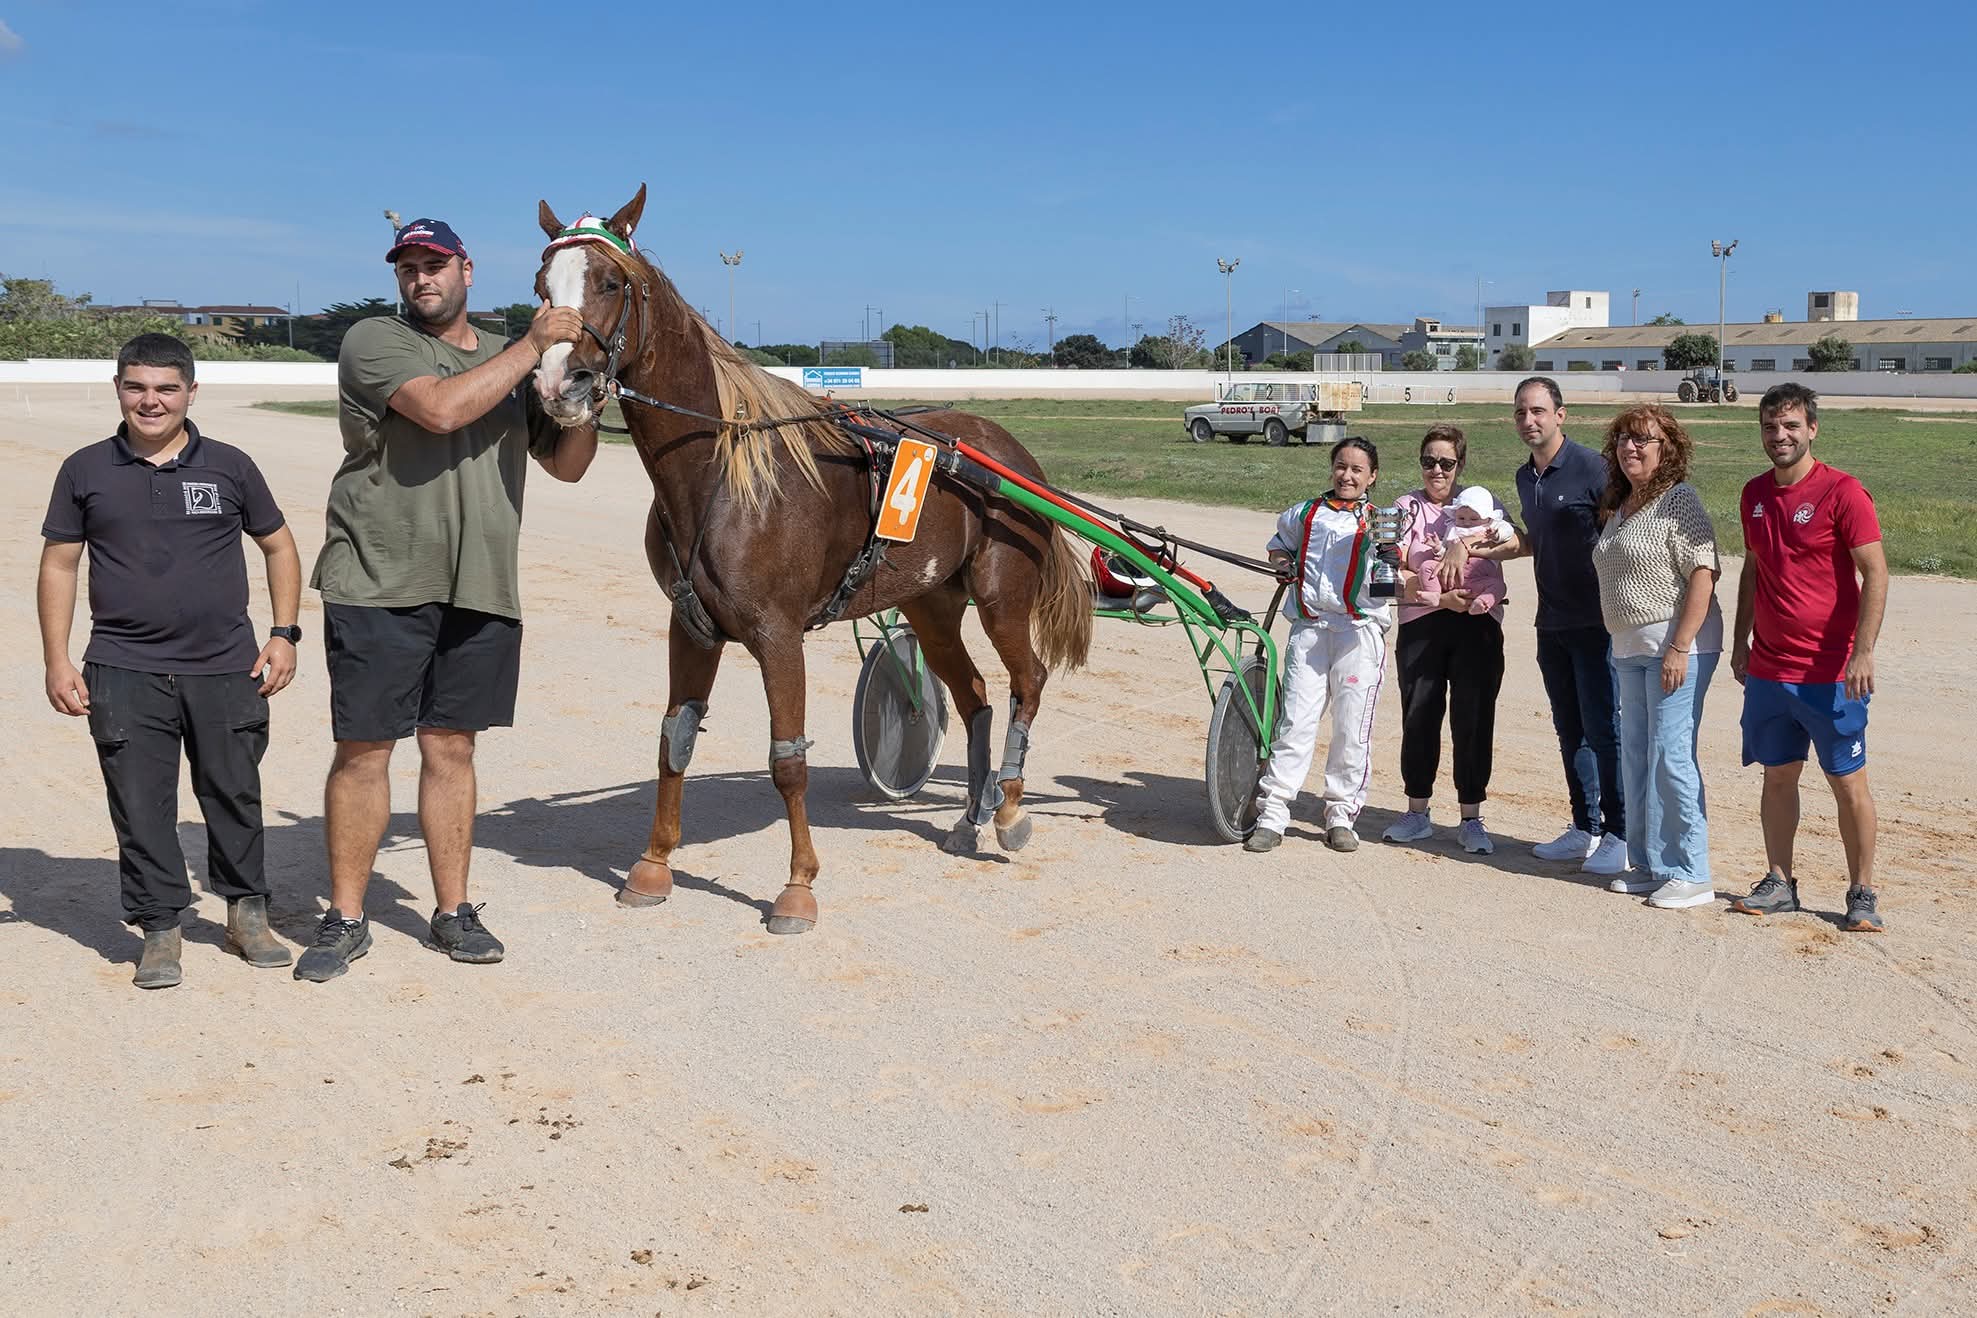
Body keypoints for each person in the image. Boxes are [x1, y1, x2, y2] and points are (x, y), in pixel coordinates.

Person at [297, 217, 595, 982]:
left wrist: (588, 394)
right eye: (408, 268)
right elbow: (438, 410)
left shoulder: (506, 354)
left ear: (467, 269)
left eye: (434, 265)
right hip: (380, 576)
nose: (420, 278)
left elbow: (565, 465)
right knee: (365, 751)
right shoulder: (374, 340)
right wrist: (535, 344)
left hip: (481, 581)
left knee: (451, 748)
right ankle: (346, 916)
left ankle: (452, 911)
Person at [37, 333, 301, 988]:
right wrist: (56, 659)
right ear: (118, 389)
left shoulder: (231, 466)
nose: (150, 400)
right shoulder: (84, 469)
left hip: (225, 666)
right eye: (136, 386)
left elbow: (280, 547)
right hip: (122, 666)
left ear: (190, 391)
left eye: (165, 388)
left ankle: (247, 913)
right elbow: (59, 564)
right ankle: (160, 928)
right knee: (139, 802)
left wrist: (285, 633)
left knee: (233, 793)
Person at [1727, 384, 1888, 932]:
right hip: (1771, 669)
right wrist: (1740, 639)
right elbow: (1753, 570)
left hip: (1830, 672)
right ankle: (1780, 881)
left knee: (1848, 783)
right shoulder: (1753, 494)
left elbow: (1876, 573)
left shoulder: (1843, 492)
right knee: (1777, 778)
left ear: (1812, 429)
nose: (1780, 436)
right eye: (1771, 427)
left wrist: (1863, 653)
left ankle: (1862, 892)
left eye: (1791, 426)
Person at [1452, 377, 1628, 876]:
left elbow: (1623, 531)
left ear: (1560, 415)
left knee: (1604, 729)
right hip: (1552, 622)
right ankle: (1584, 827)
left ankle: (1620, 833)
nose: (1529, 421)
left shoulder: (1596, 468)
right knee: (1568, 727)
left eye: (1538, 411)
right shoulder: (1526, 477)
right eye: (1521, 413)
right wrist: (1480, 545)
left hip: (1597, 621)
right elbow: (1531, 543)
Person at [1589, 405, 1724, 910]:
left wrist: (1679, 646)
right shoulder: (1620, 504)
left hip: (1677, 647)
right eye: (1623, 439)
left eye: (1643, 440)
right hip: (1628, 649)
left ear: (1666, 448)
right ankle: (1649, 864)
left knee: (1671, 756)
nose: (1630, 448)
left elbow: (1702, 574)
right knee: (1638, 757)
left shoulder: (1678, 501)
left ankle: (1691, 870)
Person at [1247, 437, 1393, 854]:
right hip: (1310, 630)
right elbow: (1279, 546)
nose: (1347, 476)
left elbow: (1393, 571)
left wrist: (1390, 558)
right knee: (1295, 721)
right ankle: (1274, 812)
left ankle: (1341, 815)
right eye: (1341, 467)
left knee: (1351, 728)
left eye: (1358, 470)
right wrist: (1281, 564)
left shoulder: (1382, 519)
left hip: (1357, 633)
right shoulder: (1304, 512)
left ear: (1372, 477)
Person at [1382, 426, 1508, 854]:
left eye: (1447, 463)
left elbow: (1517, 541)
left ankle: (1471, 816)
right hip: (1422, 624)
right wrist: (1437, 597)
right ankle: (1417, 810)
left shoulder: (1484, 502)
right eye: (1429, 461)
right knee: (1419, 715)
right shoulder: (1403, 507)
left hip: (1478, 624)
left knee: (1473, 719)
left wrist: (1464, 545)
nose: (1437, 470)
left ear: (1461, 466)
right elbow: (1384, 576)